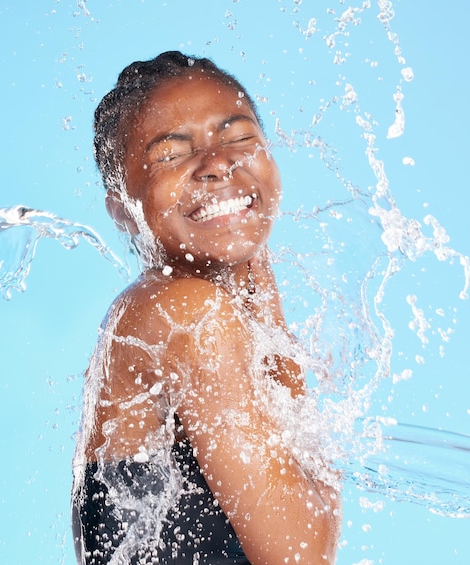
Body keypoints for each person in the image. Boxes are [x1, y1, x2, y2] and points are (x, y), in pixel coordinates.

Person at [71, 51, 341, 564]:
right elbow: (301, 552)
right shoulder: (187, 314)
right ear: (121, 208)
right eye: (171, 154)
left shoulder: (166, 311)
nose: (218, 162)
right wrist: (276, 327)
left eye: (240, 138)